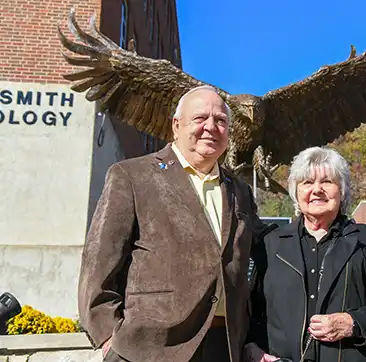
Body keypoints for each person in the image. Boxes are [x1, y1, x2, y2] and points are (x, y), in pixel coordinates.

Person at [78, 86, 268, 362]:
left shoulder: (239, 191)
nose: (211, 127)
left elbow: (263, 248)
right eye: (200, 118)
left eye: (221, 121)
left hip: (224, 346)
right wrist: (109, 336)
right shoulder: (132, 176)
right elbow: (99, 259)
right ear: (176, 126)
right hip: (149, 347)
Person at [244, 146, 366, 362]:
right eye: (307, 183)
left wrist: (353, 323)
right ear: (296, 191)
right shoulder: (271, 244)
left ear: (342, 190)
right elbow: (251, 311)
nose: (317, 190)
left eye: (327, 182)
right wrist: (252, 347)